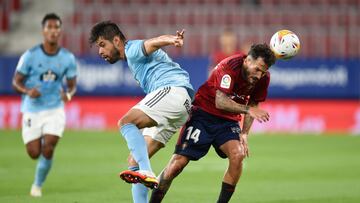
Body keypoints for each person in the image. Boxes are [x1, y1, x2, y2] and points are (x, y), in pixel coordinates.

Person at [150, 43, 276, 203]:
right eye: (257, 69)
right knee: (176, 166)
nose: (259, 75)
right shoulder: (229, 67)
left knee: (238, 155)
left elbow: (254, 105)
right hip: (203, 114)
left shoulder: (263, 79)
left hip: (228, 121)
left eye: (263, 71)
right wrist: (247, 110)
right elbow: (221, 102)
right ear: (247, 60)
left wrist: (244, 133)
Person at [89, 21, 194, 203]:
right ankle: (142, 175)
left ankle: (146, 170)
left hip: (173, 91)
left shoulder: (132, 49)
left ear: (116, 40)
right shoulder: (131, 57)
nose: (100, 52)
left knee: (125, 122)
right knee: (134, 161)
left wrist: (172, 39)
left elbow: (153, 42)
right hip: (181, 105)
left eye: (102, 45)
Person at [12, 13, 77, 197]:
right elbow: (16, 82)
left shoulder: (67, 58)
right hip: (32, 109)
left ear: (60, 31)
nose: (53, 31)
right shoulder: (30, 56)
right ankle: (40, 143)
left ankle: (37, 185)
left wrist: (68, 95)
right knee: (34, 152)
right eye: (49, 27)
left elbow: (72, 86)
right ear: (43, 31)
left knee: (48, 147)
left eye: (56, 27)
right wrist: (27, 91)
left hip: (55, 109)